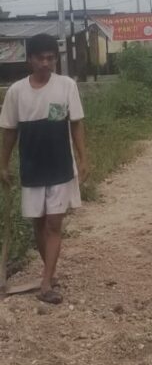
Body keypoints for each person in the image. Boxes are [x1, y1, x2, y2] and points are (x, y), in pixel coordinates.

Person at [0, 33, 89, 305]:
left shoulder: (66, 86)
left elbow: (76, 123)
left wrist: (83, 158)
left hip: (61, 167)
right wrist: (3, 164)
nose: (46, 63)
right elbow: (9, 131)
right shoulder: (16, 92)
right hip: (32, 168)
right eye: (41, 58)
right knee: (38, 223)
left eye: (51, 58)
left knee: (53, 223)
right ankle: (50, 270)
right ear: (30, 59)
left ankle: (46, 282)